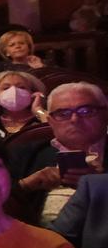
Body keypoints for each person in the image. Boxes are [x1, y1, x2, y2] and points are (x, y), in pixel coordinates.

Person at [12, 81, 106, 222]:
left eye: (86, 111)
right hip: (40, 238)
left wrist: (100, 183)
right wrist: (26, 185)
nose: (75, 119)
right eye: (63, 114)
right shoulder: (25, 154)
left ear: (105, 114)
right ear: (50, 121)